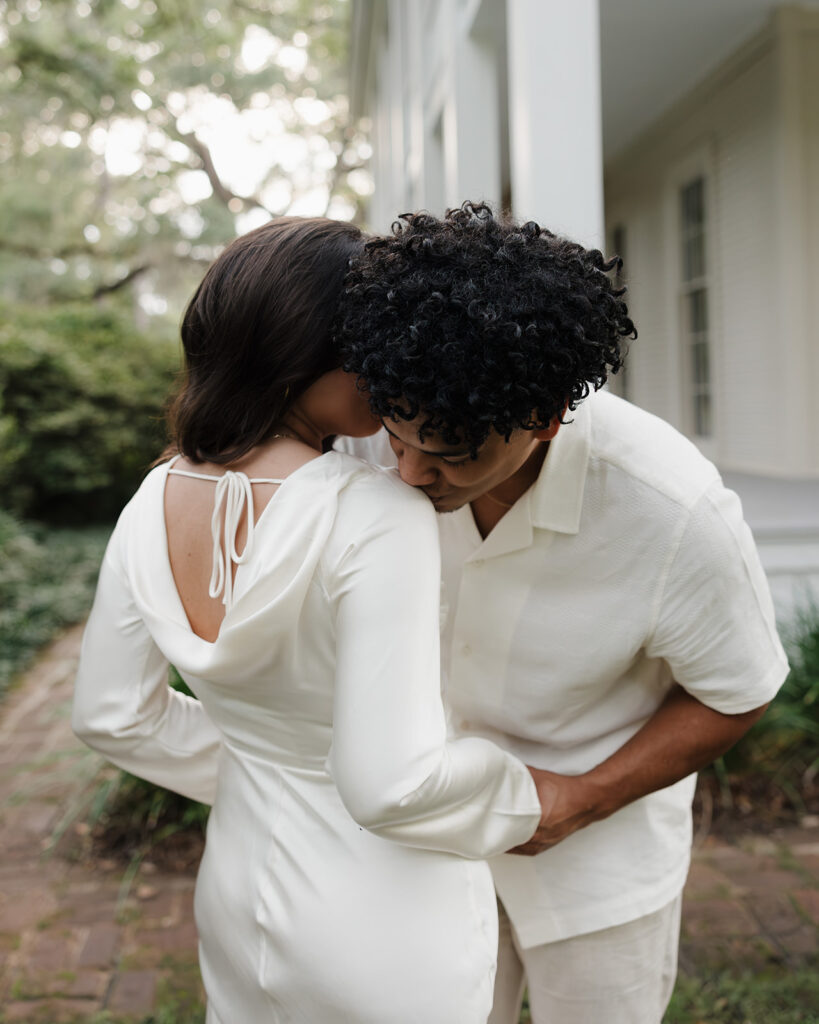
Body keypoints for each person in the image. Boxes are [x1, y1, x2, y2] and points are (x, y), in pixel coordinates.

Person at [71, 216, 547, 1024]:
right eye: (368, 346)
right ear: (304, 355)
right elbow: (391, 787)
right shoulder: (373, 510)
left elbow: (111, 716)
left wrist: (269, 763)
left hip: (238, 888)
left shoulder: (151, 498)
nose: (390, 369)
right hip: (388, 914)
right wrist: (522, 791)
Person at [334, 202, 789, 1024]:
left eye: (445, 453)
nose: (404, 474)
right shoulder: (369, 438)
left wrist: (585, 797)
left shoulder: (670, 508)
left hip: (597, 870)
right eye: (396, 439)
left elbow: (737, 690)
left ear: (543, 420)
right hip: (417, 854)